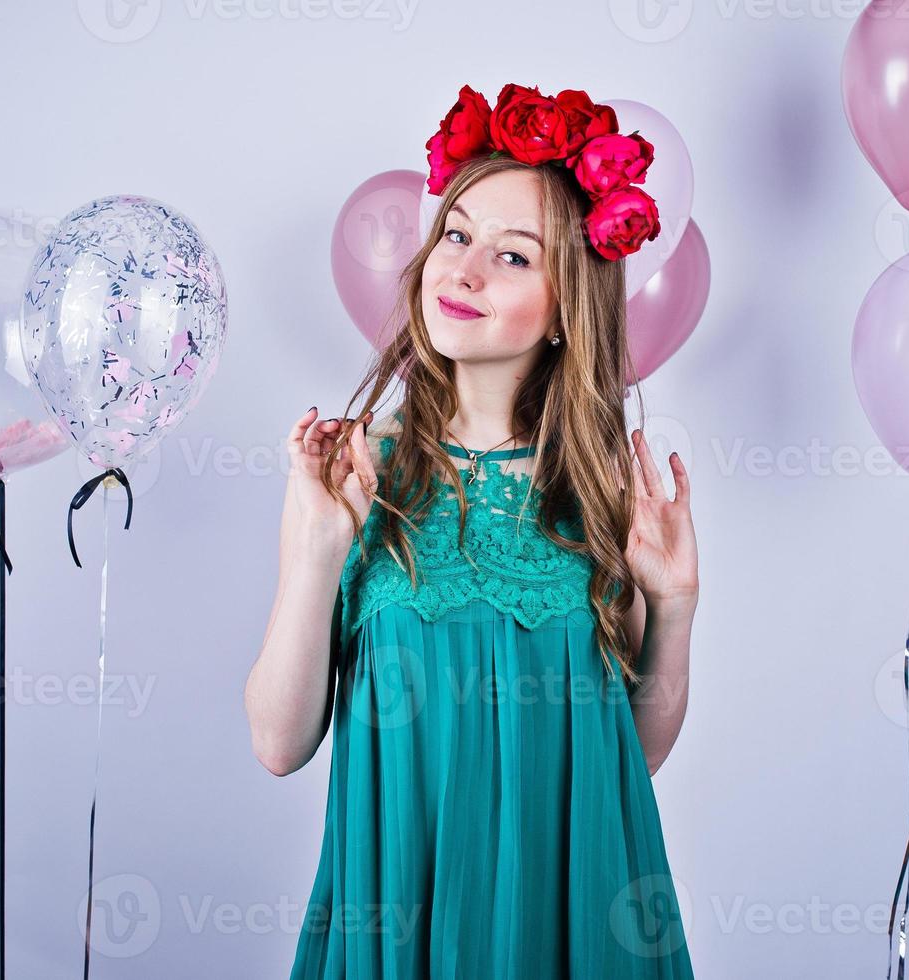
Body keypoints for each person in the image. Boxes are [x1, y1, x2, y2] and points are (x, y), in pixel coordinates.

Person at [244, 82, 700, 978]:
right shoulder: (352, 472)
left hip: (568, 925)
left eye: (514, 256)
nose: (464, 268)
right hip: (397, 923)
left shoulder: (605, 487)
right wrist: (314, 556)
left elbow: (625, 762)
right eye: (455, 234)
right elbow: (278, 744)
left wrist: (674, 606)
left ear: (570, 306)